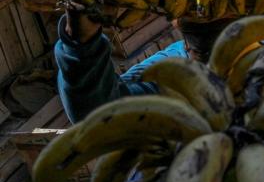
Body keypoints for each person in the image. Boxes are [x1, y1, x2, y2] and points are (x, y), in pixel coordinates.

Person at [55, 11, 232, 122]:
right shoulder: (166, 71)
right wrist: (81, 42)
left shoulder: (259, 55)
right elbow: (98, 114)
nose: (204, 8)